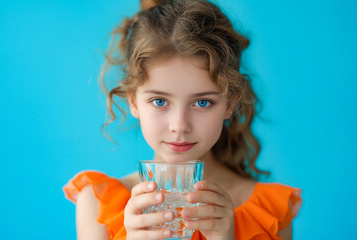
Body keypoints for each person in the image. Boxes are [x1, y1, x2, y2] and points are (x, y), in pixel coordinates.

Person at [63, 0, 302, 239]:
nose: (179, 126)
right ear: (133, 102)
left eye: (202, 102)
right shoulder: (97, 204)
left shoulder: (270, 211)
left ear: (229, 104)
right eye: (159, 101)